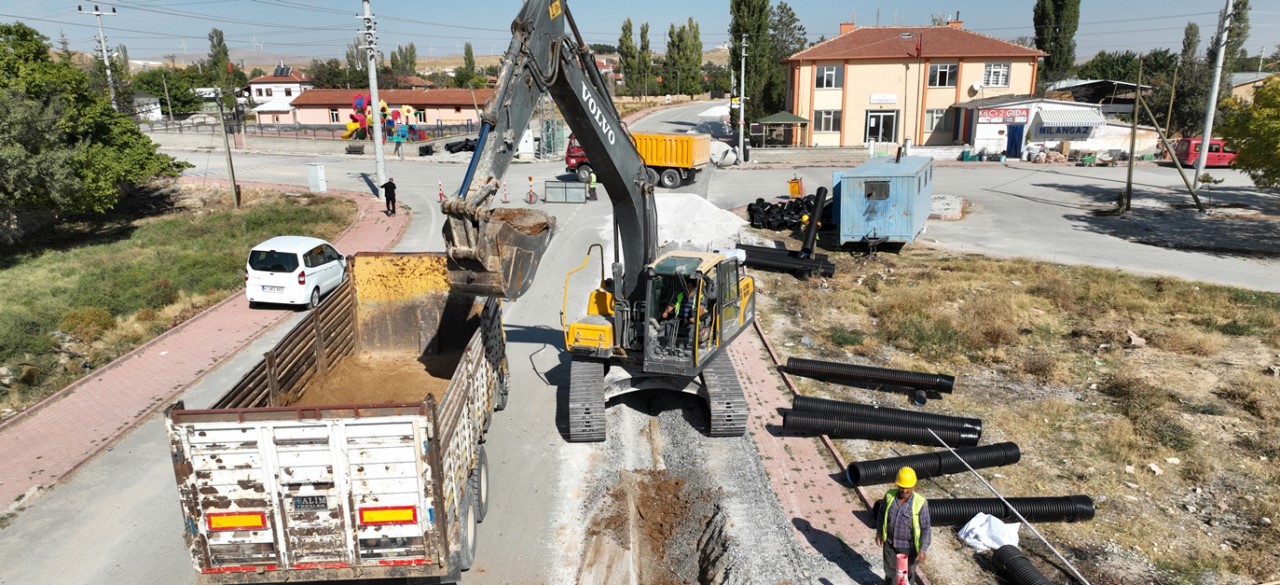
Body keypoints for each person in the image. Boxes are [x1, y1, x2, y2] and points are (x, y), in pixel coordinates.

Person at [875, 466, 930, 585]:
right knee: (890, 571)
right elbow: (881, 514)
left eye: (908, 488)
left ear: (914, 486)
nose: (904, 490)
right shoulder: (890, 496)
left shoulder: (920, 503)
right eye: (902, 487)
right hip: (890, 543)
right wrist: (879, 532)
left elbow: (926, 528)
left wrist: (923, 549)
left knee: (907, 574)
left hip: (908, 548)